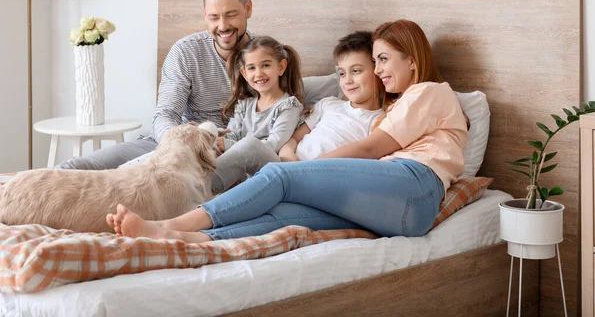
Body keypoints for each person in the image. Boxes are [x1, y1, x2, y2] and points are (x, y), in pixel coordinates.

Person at [106, 19, 469, 242]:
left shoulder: (429, 92)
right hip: (402, 211)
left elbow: (370, 149)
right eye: (374, 62)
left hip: (412, 183)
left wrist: (306, 171)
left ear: (413, 59)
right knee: (287, 217)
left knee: (281, 177)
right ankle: (191, 238)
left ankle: (171, 224)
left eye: (383, 61)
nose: (378, 70)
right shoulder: (400, 103)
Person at [57, 0, 255, 170]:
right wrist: (179, 142)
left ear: (247, 8)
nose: (222, 26)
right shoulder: (186, 51)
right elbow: (166, 114)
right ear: (204, 15)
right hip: (175, 143)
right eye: (214, 17)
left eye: (231, 15)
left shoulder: (266, 58)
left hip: (232, 151)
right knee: (75, 167)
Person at [210, 35, 304, 194]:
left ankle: (203, 189)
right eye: (252, 68)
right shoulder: (244, 105)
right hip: (240, 165)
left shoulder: (289, 106)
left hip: (268, 167)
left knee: (250, 145)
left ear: (281, 67)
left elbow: (274, 145)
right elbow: (232, 135)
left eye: (265, 65)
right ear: (244, 73)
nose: (258, 73)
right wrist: (219, 142)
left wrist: (228, 145)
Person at [279, 31, 385, 162]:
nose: (347, 81)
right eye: (342, 74)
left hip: (316, 174)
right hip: (288, 164)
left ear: (379, 70)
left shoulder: (381, 122)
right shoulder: (328, 104)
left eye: (356, 71)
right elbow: (294, 139)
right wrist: (287, 154)